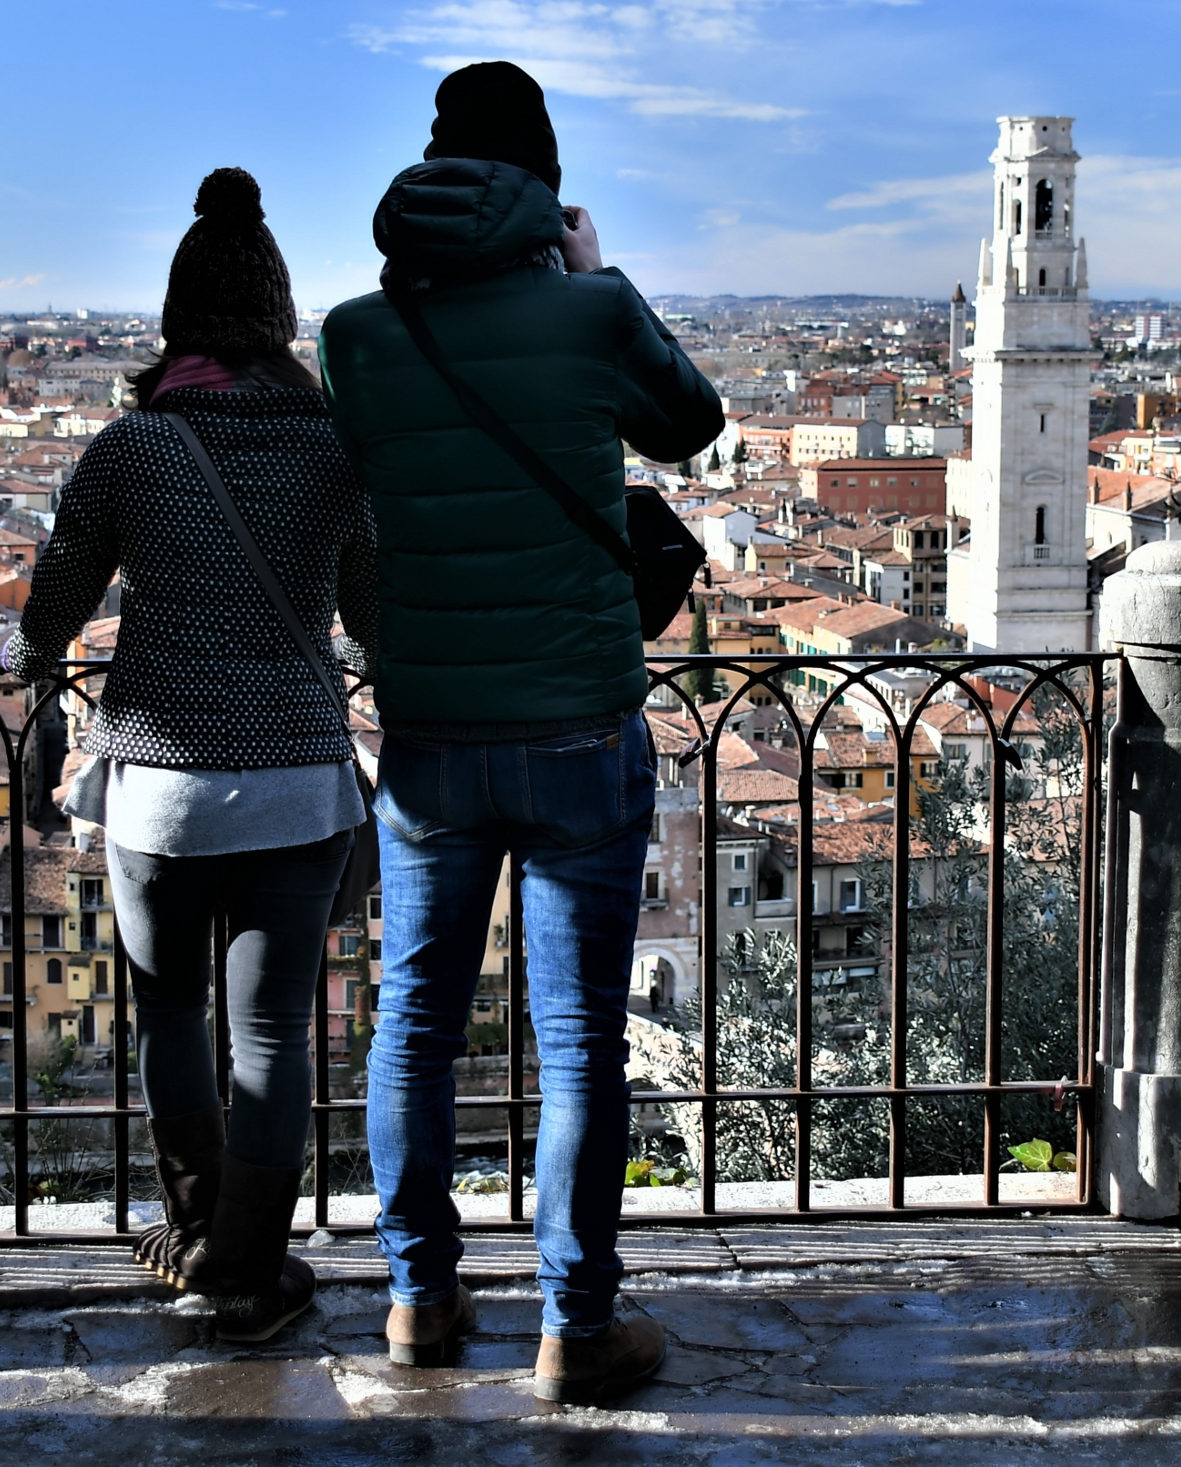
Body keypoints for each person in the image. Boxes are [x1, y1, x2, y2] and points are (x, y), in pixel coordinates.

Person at [319, 61, 722, 1403]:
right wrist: (596, 277)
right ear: (546, 187)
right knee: (581, 1038)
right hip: (578, 725)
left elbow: (362, 492)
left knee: (414, 1024)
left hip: (431, 732)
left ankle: (417, 1300)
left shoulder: (359, 335)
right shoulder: (590, 309)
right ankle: (574, 1325)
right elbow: (691, 425)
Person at [2, 166, 377, 1344]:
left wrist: (34, 670)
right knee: (271, 1037)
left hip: (158, 794)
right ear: (280, 314)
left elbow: (54, 601)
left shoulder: (133, 446)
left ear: (177, 315)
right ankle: (248, 1270)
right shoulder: (335, 448)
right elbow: (373, 614)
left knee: (169, 1016)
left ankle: (198, 1232)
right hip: (297, 784)